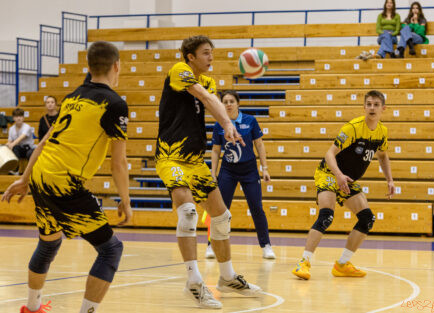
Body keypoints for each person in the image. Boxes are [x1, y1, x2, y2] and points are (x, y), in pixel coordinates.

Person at [2, 41, 132, 313]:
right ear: (117, 66)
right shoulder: (115, 104)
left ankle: (32, 307)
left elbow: (43, 143)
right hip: (63, 182)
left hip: (41, 175)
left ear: (88, 66)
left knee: (49, 242)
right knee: (111, 250)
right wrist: (126, 200)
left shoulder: (73, 97)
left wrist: (25, 179)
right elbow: (118, 163)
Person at [155, 35, 262, 309]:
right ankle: (194, 282)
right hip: (171, 157)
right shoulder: (179, 71)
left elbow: (211, 99)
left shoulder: (209, 81)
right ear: (190, 56)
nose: (210, 57)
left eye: (211, 52)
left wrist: (226, 122)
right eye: (205, 53)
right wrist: (227, 123)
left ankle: (226, 277)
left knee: (222, 216)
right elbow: (202, 96)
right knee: (189, 212)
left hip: (194, 160)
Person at [292, 90, 395, 280]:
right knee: (326, 216)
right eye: (369, 104)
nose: (372, 108)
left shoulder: (382, 131)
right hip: (329, 173)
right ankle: (304, 262)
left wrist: (389, 179)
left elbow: (382, 156)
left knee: (367, 219)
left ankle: (342, 264)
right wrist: (338, 175)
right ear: (364, 107)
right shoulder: (353, 128)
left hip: (347, 179)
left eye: (376, 104)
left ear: (383, 108)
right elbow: (329, 154)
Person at [205, 90, 275, 260]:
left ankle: (266, 246)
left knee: (256, 207)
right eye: (225, 101)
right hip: (228, 170)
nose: (228, 104)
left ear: (238, 103)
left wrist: (264, 168)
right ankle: (210, 245)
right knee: (219, 210)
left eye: (231, 101)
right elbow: (215, 151)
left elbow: (259, 145)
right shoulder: (219, 125)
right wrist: (213, 173)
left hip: (249, 170)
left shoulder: (250, 121)